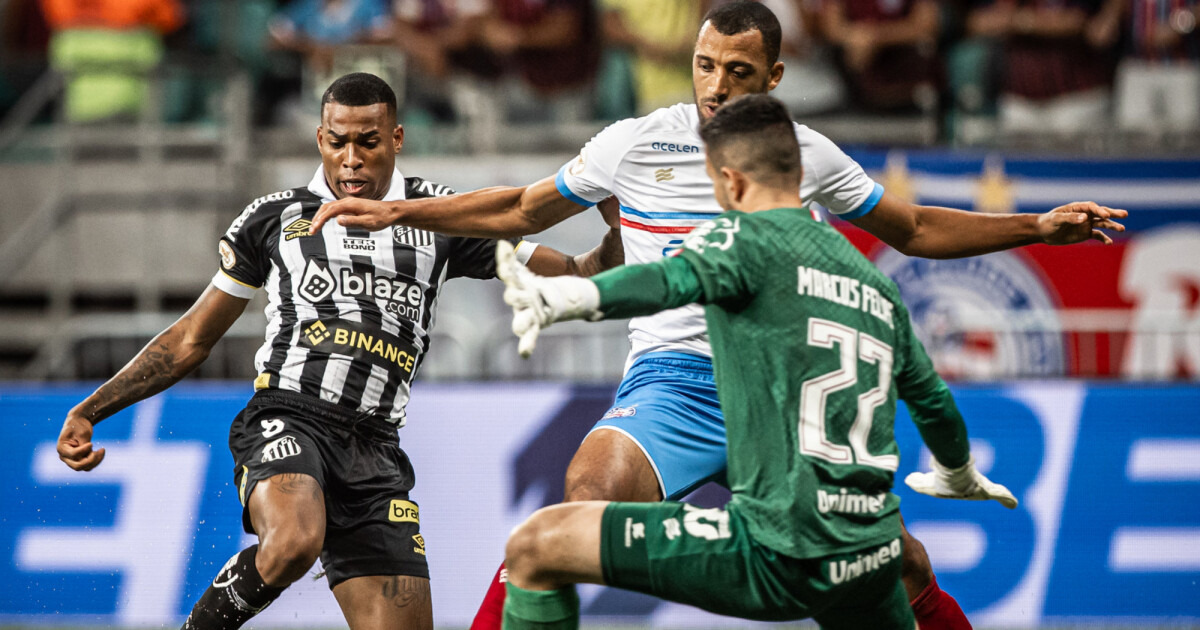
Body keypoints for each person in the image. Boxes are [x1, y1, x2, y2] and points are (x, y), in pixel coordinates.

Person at [306, 3, 1126, 629]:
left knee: (899, 564)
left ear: (772, 78)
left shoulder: (801, 155)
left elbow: (912, 229)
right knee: (582, 497)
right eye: (704, 66)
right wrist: (402, 211)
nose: (715, 88)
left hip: (777, 388)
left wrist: (1037, 226)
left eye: (738, 72)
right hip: (673, 383)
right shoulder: (635, 141)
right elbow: (523, 210)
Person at [53, 72, 619, 630]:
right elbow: (191, 338)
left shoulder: (442, 215)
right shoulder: (274, 217)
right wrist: (91, 409)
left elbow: (574, 273)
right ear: (320, 139)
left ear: (395, 139)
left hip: (375, 448)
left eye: (367, 143)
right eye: (337, 141)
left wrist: (616, 223)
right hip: (288, 416)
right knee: (294, 540)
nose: (351, 159)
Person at [491, 93, 1017, 630]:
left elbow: (667, 279)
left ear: (732, 184)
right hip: (868, 551)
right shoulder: (874, 285)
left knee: (538, 545)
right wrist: (958, 473)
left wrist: (568, 298)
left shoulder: (740, 239)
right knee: (908, 568)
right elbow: (935, 404)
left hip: (781, 551)